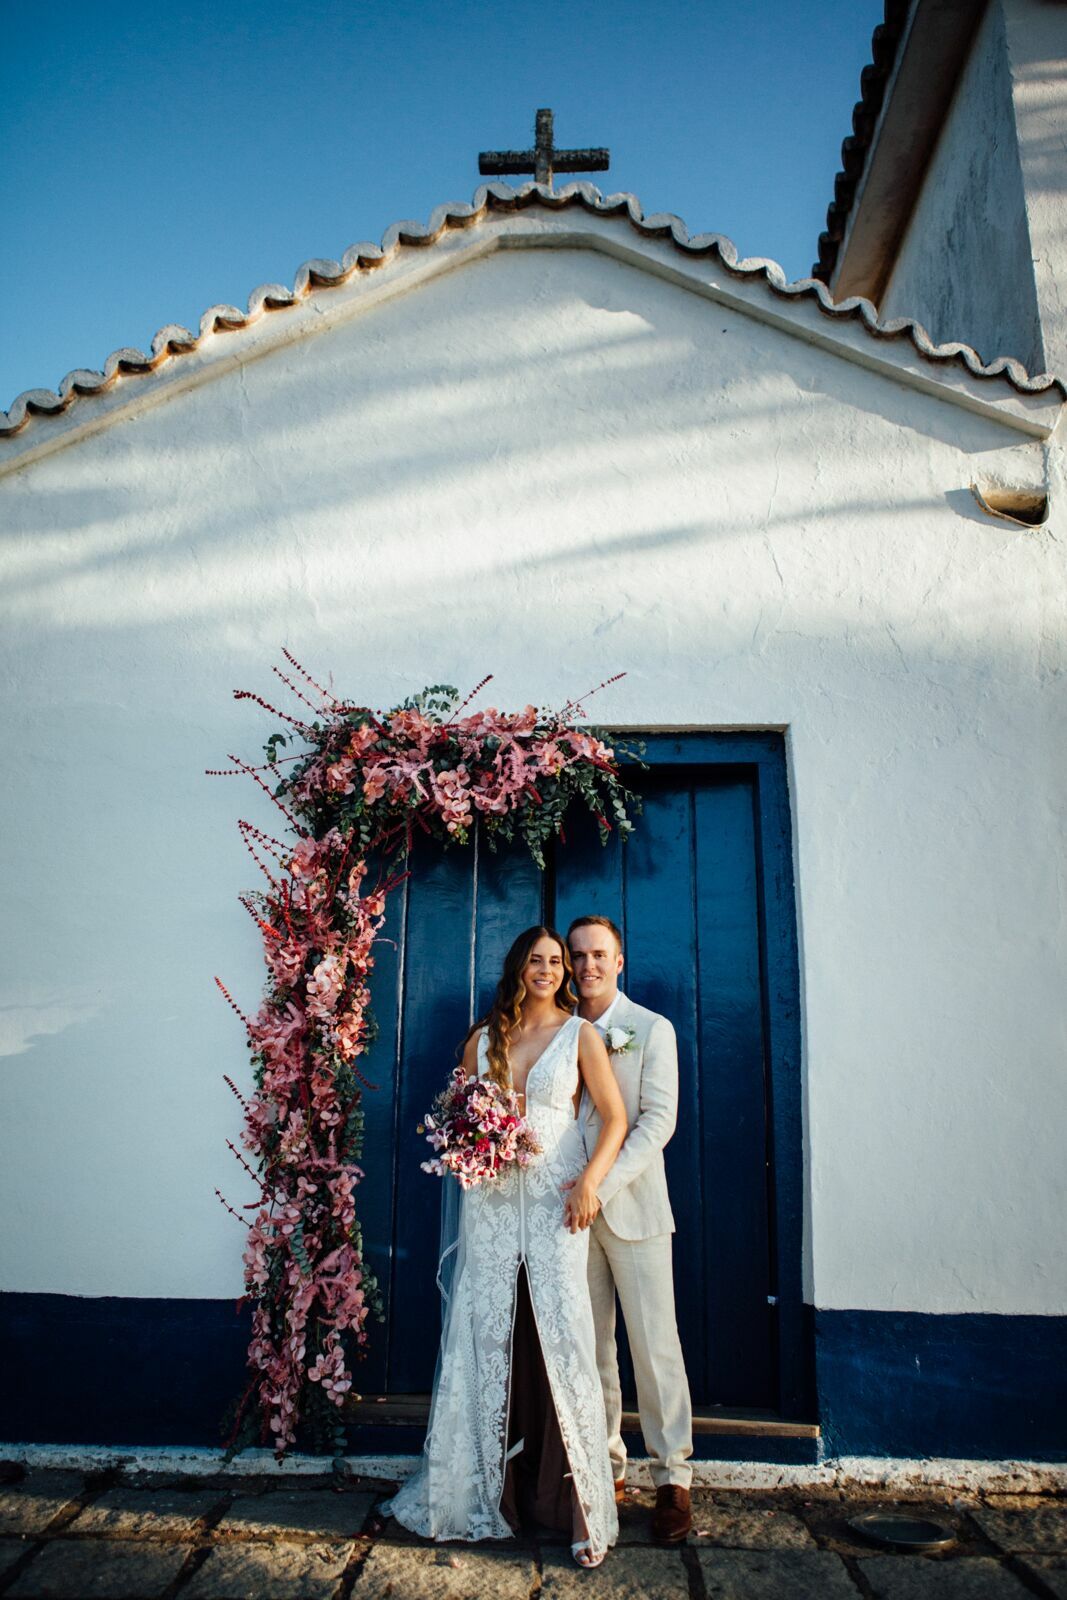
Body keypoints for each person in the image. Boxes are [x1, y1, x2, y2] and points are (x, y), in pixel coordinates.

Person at [382, 925, 629, 1567]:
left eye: (557, 961)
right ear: (519, 967)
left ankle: (579, 1509)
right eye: (536, 960)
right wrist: (472, 1145)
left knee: (565, 1335)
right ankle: (472, 1495)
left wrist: (590, 1184)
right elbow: (457, 1115)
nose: (548, 969)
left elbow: (614, 1117)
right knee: (483, 1331)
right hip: (490, 1205)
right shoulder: (484, 1037)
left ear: (566, 973)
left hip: (556, 1206)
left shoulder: (582, 1036)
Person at [565, 914, 695, 1543]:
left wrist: (600, 1186)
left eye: (599, 955)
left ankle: (673, 1478)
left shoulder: (649, 1029)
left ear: (620, 961)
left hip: (633, 1209)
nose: (587, 965)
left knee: (653, 1345)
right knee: (593, 1350)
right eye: (578, 955)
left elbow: (657, 1122)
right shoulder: (557, 1029)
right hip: (569, 1216)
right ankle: (607, 1467)